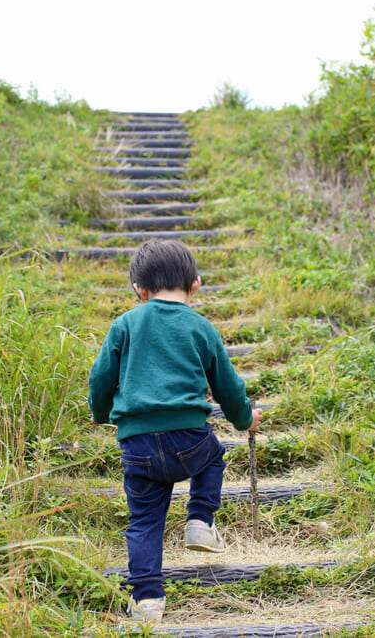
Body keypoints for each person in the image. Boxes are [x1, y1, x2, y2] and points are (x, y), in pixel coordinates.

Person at [88, 239, 263, 624]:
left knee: (145, 520)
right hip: (189, 438)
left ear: (139, 290)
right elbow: (228, 388)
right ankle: (200, 520)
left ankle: (147, 599)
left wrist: (99, 412)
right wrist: (245, 418)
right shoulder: (202, 329)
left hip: (137, 444)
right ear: (195, 284)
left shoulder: (125, 325)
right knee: (213, 456)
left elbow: (101, 377)